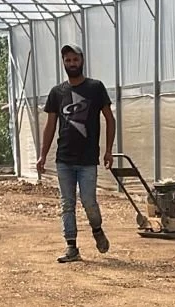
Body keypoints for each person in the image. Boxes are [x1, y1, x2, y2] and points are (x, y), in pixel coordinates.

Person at [37, 44, 116, 263]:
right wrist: (43, 154)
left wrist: (109, 150)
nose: (72, 64)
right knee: (67, 203)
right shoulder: (57, 93)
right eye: (67, 60)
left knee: (89, 201)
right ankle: (71, 247)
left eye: (75, 60)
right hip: (64, 159)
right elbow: (50, 125)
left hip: (88, 159)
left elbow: (110, 119)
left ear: (82, 60)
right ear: (63, 63)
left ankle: (97, 229)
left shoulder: (95, 88)